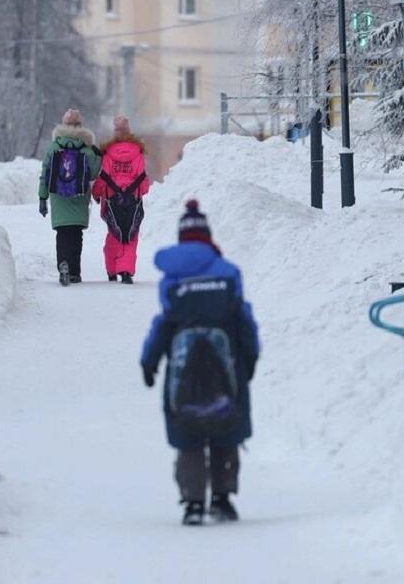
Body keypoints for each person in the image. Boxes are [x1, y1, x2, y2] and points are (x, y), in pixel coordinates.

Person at [140, 200, 260, 525]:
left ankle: (193, 503)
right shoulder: (228, 272)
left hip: (184, 371)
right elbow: (243, 319)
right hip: (227, 363)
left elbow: (164, 324)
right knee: (226, 429)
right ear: (207, 236)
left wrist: (149, 361)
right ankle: (222, 499)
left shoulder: (171, 279)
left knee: (188, 433)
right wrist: (250, 357)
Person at [38, 108, 101, 286]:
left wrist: (42, 198)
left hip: (58, 196)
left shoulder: (54, 146)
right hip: (79, 195)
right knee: (76, 234)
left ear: (63, 125)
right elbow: (93, 174)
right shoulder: (86, 148)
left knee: (62, 233)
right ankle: (74, 272)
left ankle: (63, 264)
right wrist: (97, 155)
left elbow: (45, 174)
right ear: (80, 125)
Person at [91, 116, 150, 284]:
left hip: (111, 201)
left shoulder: (108, 152)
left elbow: (103, 176)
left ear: (115, 132)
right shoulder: (137, 152)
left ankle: (112, 270)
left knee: (114, 234)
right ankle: (125, 272)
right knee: (131, 235)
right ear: (128, 130)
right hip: (133, 200)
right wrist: (140, 191)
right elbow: (142, 179)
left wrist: (96, 192)